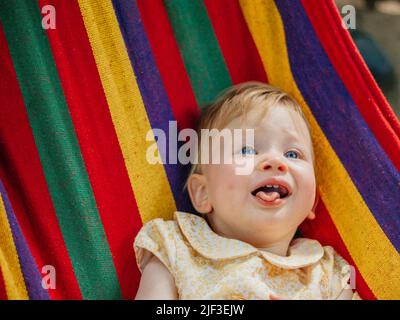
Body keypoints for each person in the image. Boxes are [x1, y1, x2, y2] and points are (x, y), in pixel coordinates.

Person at [134, 82, 360, 300]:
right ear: (203, 192)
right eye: (247, 150)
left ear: (313, 202)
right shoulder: (177, 250)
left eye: (292, 154)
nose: (274, 161)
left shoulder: (329, 275)